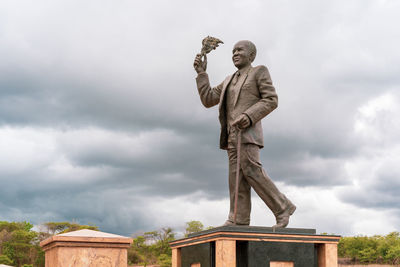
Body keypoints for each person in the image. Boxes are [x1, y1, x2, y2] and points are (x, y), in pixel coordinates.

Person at [193, 40, 296, 228]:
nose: (235, 53)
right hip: (232, 137)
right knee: (236, 179)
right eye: (233, 51)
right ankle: (238, 219)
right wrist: (202, 74)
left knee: (252, 171)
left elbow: (271, 100)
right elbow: (208, 99)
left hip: (248, 134)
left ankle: (283, 207)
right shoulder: (228, 80)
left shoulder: (259, 72)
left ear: (251, 55)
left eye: (240, 50)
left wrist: (249, 116)